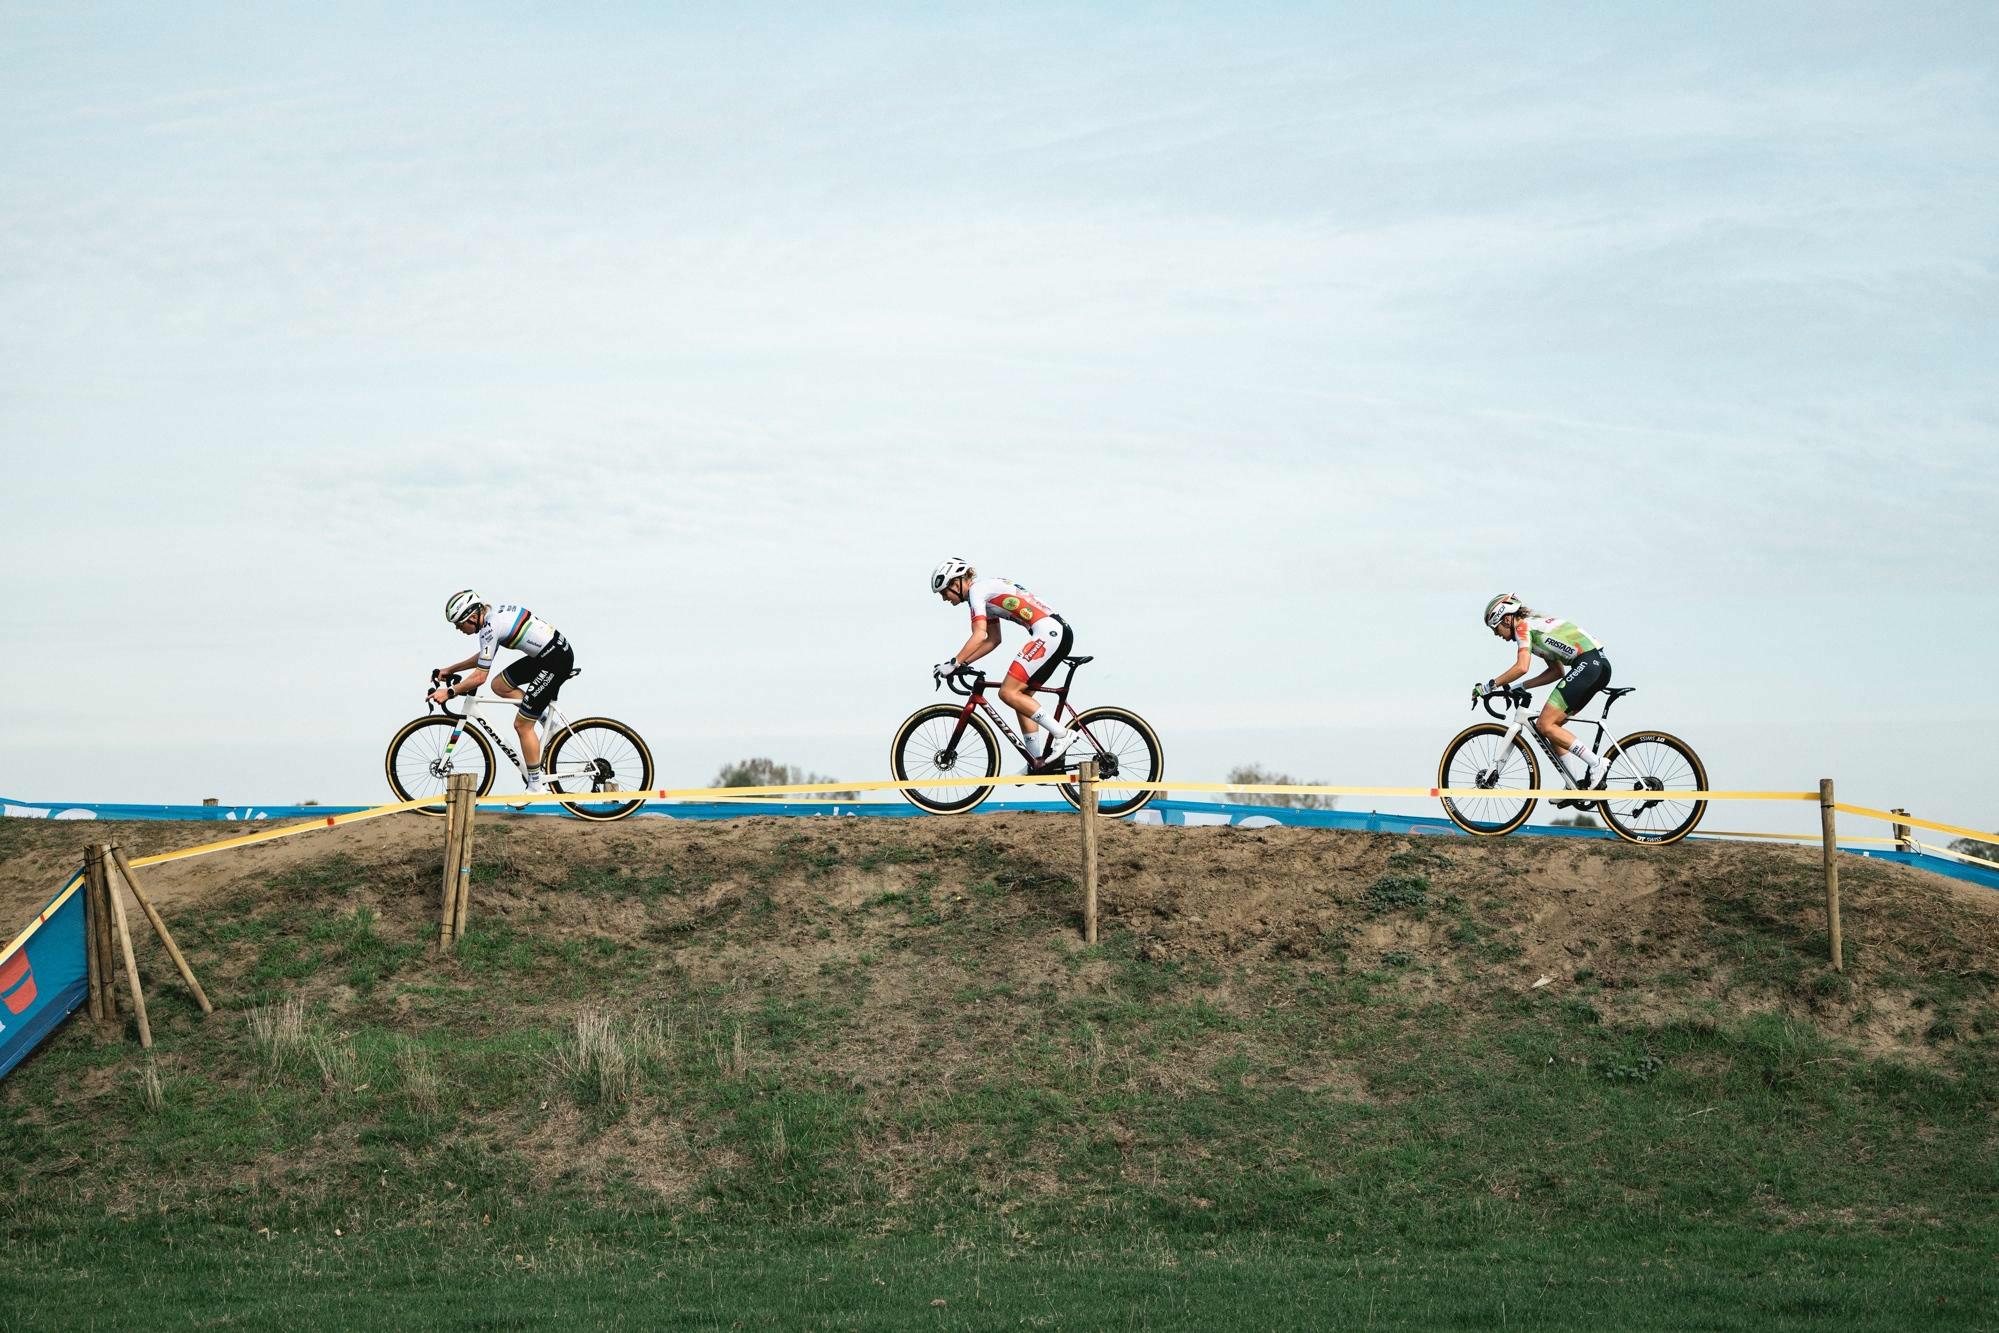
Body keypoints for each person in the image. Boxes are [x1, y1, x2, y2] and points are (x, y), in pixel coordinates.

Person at [929, 558, 1078, 771]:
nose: (944, 599)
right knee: (1020, 697)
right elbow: (992, 640)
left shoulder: (977, 592)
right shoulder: (984, 591)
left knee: (1008, 693)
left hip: (1049, 634)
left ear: (956, 583)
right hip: (1055, 632)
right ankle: (1039, 762)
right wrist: (962, 663)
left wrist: (954, 662)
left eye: (944, 592)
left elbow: (979, 634)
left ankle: (1062, 734)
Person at [431, 590, 574, 800]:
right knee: (500, 685)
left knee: (522, 725)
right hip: (548, 655)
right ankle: (546, 720)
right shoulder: (492, 618)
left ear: (471, 617)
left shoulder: (490, 626)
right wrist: (452, 669)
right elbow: (484, 655)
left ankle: (536, 786)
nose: (458, 629)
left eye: (459, 624)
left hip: (553, 661)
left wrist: (450, 692)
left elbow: (480, 676)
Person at [1474, 594, 1611, 789]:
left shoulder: (1522, 627)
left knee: (1545, 724)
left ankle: (1596, 763)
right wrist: (1521, 687)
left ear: (1507, 618)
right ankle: (1572, 784)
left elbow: (1521, 667)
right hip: (1597, 666)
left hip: (1589, 665)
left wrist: (1489, 686)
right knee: (1552, 727)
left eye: (1496, 628)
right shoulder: (1535, 629)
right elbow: (1556, 672)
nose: (1496, 634)